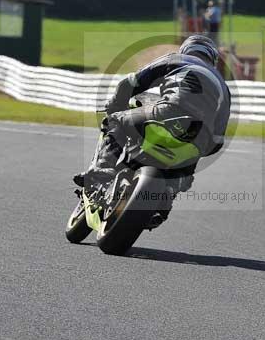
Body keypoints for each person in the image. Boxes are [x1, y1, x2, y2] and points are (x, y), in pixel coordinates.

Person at [74, 35, 231, 225]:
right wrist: (201, 148)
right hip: (199, 136)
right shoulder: (223, 86)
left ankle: (100, 175)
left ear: (186, 50)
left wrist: (115, 105)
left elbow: (130, 82)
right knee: (187, 165)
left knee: (114, 121)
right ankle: (163, 202)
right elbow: (218, 138)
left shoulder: (178, 59)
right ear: (212, 58)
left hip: (167, 112)